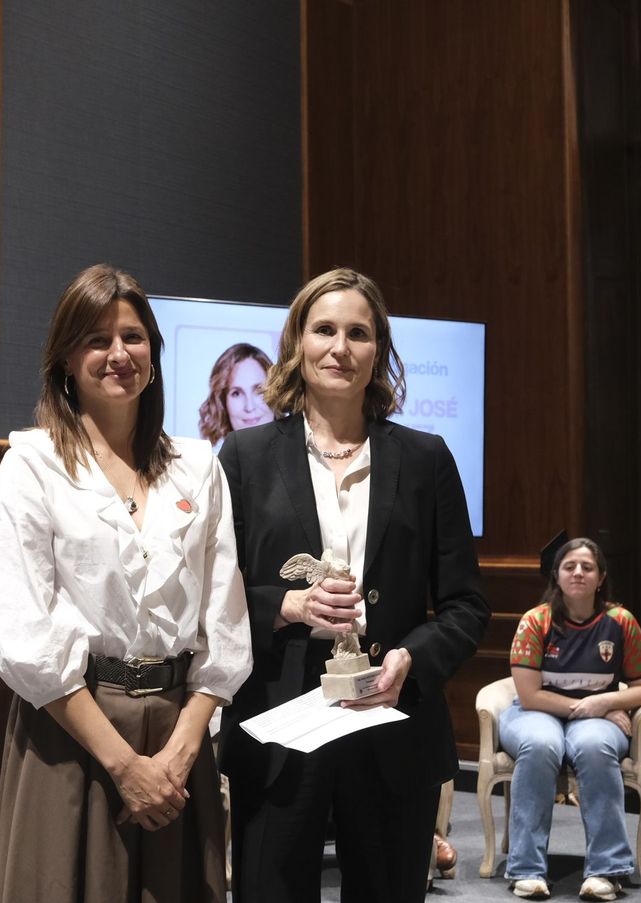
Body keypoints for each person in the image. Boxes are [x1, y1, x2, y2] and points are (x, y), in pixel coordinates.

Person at [218, 267, 489, 902]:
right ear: (297, 345)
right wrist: (284, 604)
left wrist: (409, 659)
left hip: (393, 725)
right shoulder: (244, 458)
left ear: (379, 353)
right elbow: (213, 595)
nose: (340, 347)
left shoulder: (426, 459)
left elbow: (466, 604)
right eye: (325, 330)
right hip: (278, 729)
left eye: (359, 333)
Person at [0, 264, 252, 902]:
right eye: (97, 339)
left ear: (153, 356)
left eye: (133, 337)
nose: (117, 354)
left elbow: (225, 619)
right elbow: (23, 633)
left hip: (178, 735)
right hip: (72, 734)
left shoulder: (197, 467)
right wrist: (124, 765)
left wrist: (178, 756)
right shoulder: (31, 463)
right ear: (65, 360)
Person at [501, 537, 641, 901]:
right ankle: (526, 869)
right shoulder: (534, 621)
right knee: (541, 745)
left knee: (594, 745)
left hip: (595, 717)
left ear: (601, 577)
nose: (578, 573)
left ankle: (606, 869)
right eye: (569, 566)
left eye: (587, 567)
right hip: (535, 713)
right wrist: (590, 706)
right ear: (556, 574)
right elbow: (530, 695)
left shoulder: (621, 621)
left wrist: (605, 701)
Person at [198, 342, 273, 447]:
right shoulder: (211, 461)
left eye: (259, 390)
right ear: (223, 404)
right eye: (236, 393)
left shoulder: (301, 454)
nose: (249, 407)